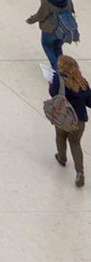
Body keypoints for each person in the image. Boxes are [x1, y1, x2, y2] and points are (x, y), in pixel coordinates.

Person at [49, 54, 90, 187]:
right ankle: (80, 172)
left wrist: (50, 85)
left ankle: (62, 157)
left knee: (60, 136)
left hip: (64, 117)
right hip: (79, 121)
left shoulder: (59, 79)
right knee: (75, 143)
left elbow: (53, 94)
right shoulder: (83, 82)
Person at [28, 0, 77, 70]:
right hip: (63, 29)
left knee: (47, 46)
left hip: (50, 29)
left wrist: (31, 20)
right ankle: (64, 69)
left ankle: (57, 70)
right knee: (58, 47)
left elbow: (41, 14)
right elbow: (71, 10)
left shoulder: (47, 0)